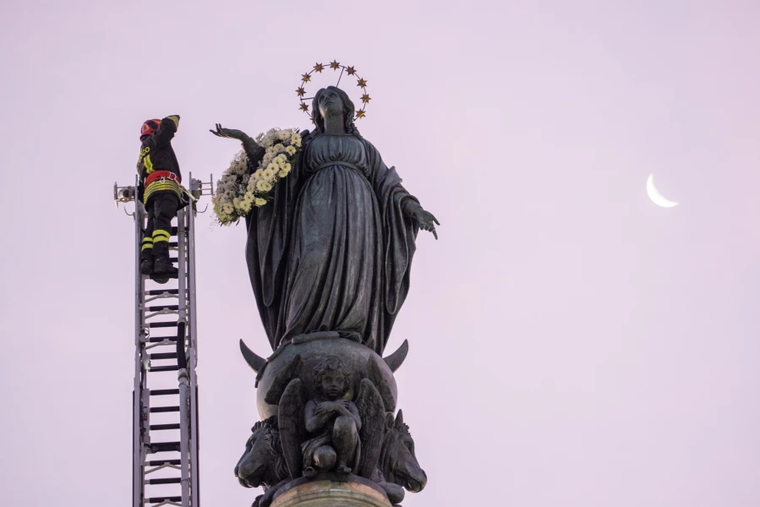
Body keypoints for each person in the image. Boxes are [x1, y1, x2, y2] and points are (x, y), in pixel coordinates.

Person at [211, 86, 439, 355]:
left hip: (359, 212)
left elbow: (389, 186)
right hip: (315, 207)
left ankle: (352, 329)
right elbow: (271, 173)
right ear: (316, 111)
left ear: (346, 105)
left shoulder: (364, 147)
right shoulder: (305, 144)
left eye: (332, 95)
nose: (326, 99)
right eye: (320, 98)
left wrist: (415, 210)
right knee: (312, 256)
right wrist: (245, 140)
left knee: (355, 266)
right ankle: (301, 328)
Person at [136, 115, 184, 279]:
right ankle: (161, 259)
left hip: (151, 192)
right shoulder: (155, 141)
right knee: (163, 222)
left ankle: (147, 260)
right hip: (165, 186)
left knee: (152, 225)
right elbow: (168, 128)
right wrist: (173, 118)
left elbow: (141, 180)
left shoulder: (143, 154)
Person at [302, 356, 362, 476]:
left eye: (339, 381)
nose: (334, 385)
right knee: (326, 457)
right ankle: (316, 472)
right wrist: (330, 409)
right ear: (320, 382)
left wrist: (337, 407)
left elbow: (358, 425)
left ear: (345, 384)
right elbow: (310, 426)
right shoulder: (313, 403)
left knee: (345, 421)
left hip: (347, 449)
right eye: (328, 380)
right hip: (320, 444)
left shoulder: (348, 405)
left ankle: (342, 463)